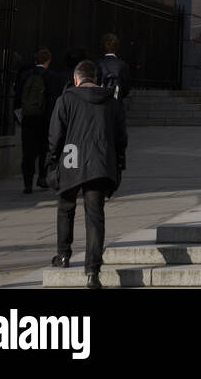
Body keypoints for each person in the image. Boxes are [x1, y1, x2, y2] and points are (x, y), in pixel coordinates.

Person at [46, 59, 127, 290]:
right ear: (96, 79)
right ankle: (92, 271)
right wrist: (119, 164)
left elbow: (55, 136)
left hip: (70, 161)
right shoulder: (110, 102)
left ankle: (63, 255)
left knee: (65, 208)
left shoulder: (66, 100)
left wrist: (51, 162)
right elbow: (121, 137)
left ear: (75, 78)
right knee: (95, 216)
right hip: (99, 163)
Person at [13, 48, 62, 194]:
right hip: (45, 118)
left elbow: (17, 97)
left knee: (28, 152)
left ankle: (27, 183)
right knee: (44, 150)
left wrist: (18, 115)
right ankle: (42, 177)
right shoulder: (52, 76)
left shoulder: (25, 75)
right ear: (48, 61)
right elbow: (54, 99)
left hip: (28, 118)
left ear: (35, 60)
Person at [95, 33, 132, 102]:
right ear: (117, 47)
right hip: (117, 103)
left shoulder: (97, 64)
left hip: (100, 103)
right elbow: (126, 88)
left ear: (102, 47)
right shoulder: (123, 65)